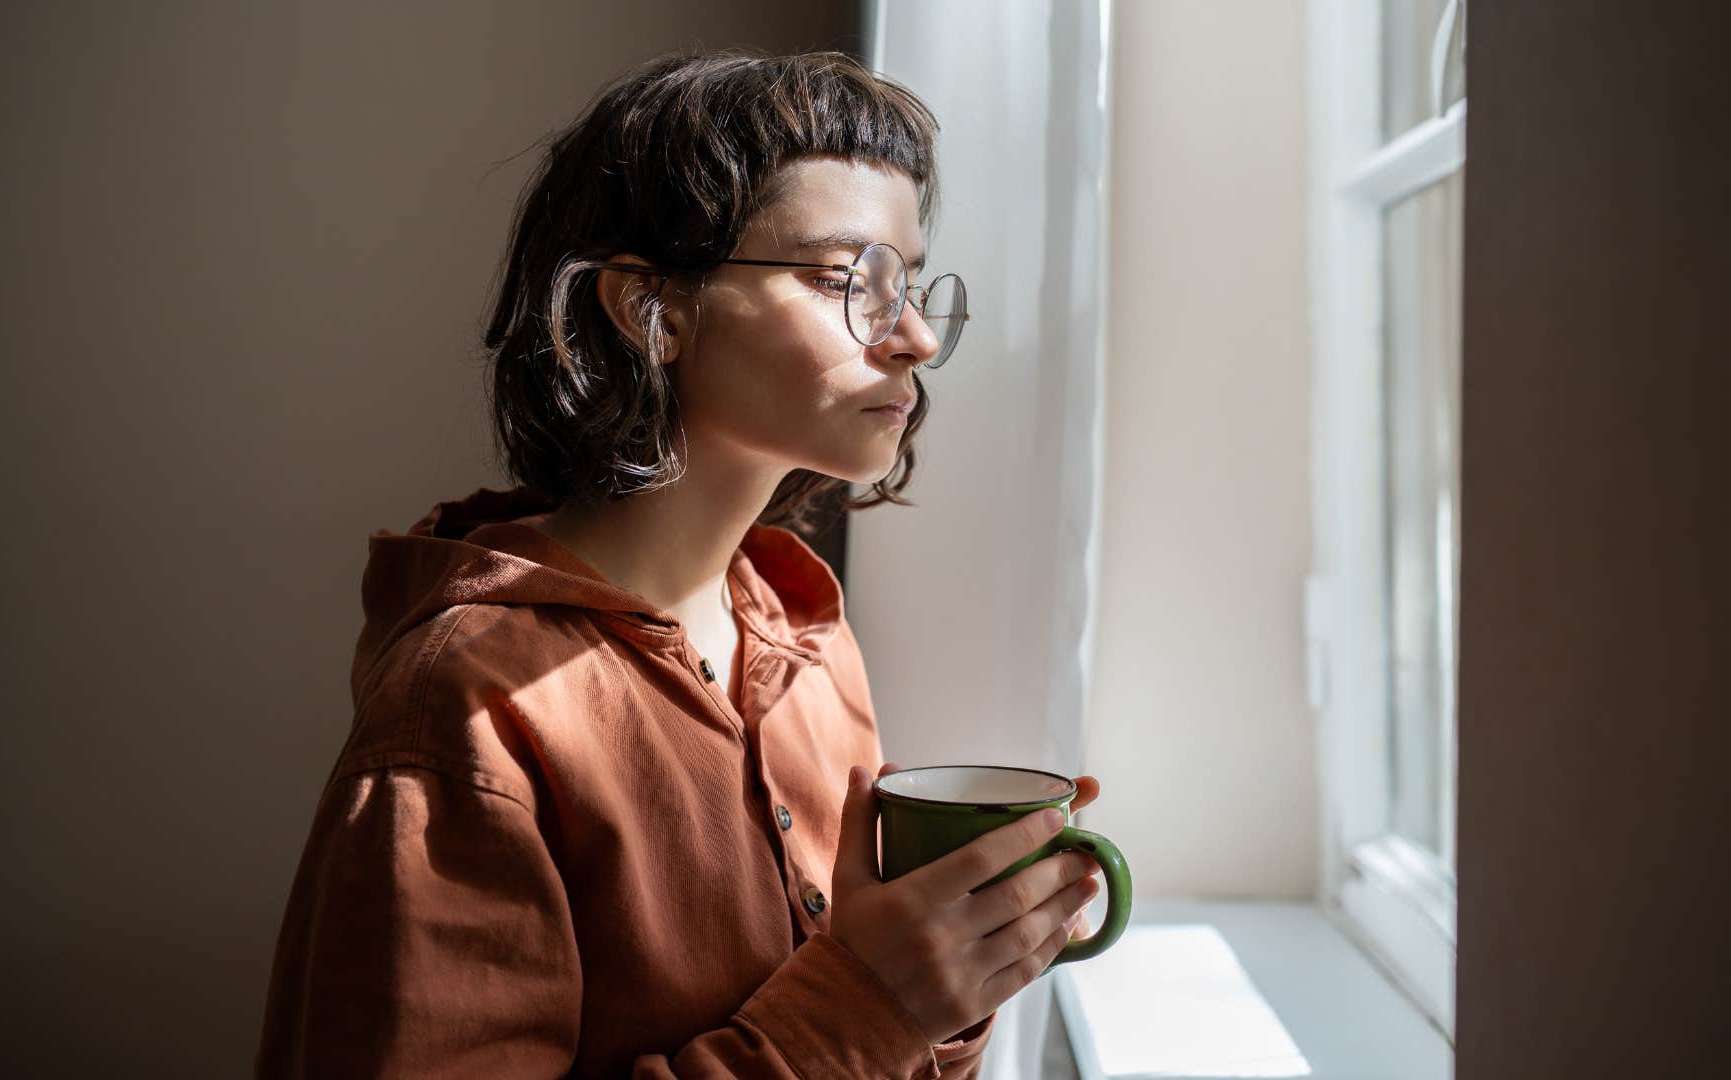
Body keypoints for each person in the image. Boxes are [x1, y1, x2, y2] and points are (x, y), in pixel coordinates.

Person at [256, 48, 1104, 1079]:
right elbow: (849, 1025)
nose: (916, 338)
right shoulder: (467, 711)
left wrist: (945, 988)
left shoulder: (805, 640)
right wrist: (868, 1007)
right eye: (847, 280)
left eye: (913, 283)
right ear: (650, 308)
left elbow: (873, 1037)